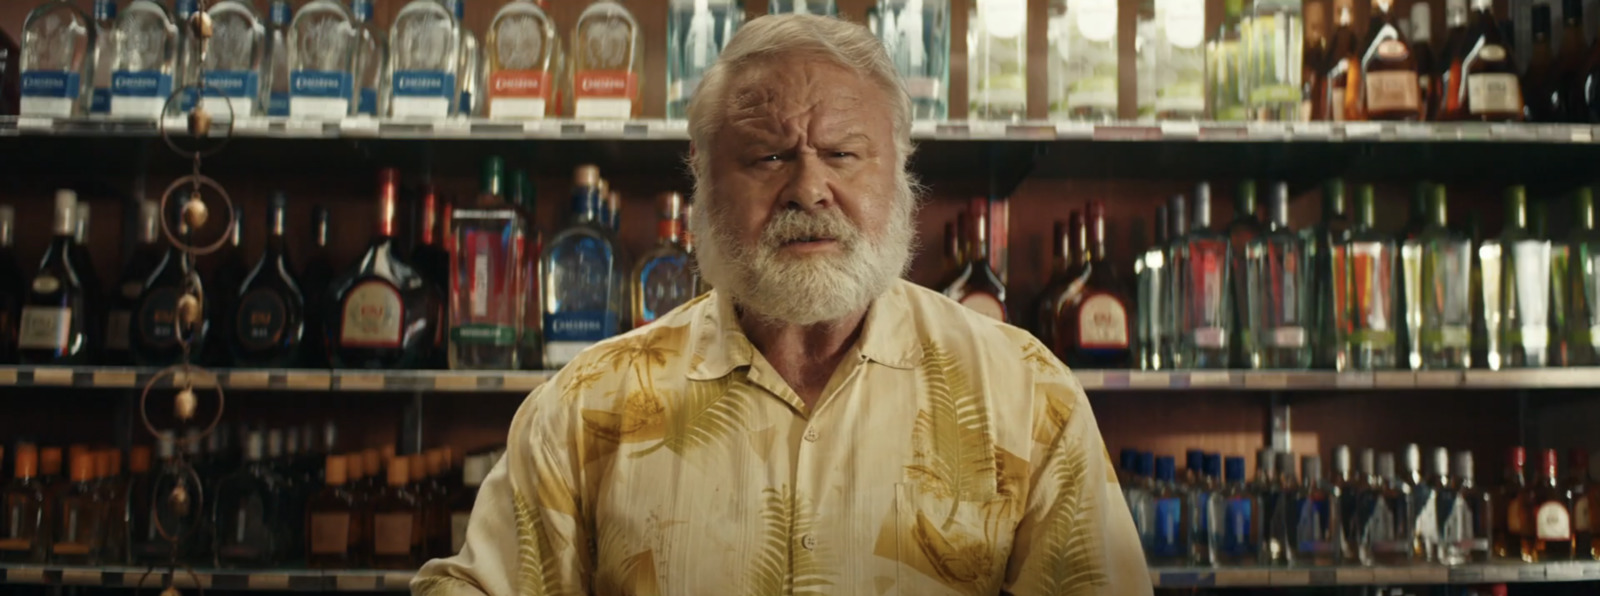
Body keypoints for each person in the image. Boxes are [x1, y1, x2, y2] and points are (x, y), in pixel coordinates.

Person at [412, 14, 1150, 596]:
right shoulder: (582, 408)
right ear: (702, 177)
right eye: (769, 157)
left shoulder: (1027, 393)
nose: (808, 188)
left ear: (899, 172)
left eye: (843, 154)